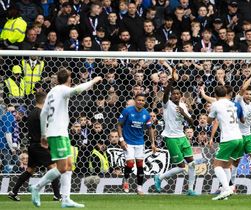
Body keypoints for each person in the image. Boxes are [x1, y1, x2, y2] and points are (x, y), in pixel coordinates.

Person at [30, 68, 102, 208]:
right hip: (57, 133)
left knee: (69, 166)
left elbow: (43, 113)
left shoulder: (51, 92)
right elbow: (76, 91)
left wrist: (44, 134)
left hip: (59, 132)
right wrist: (93, 81)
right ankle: (36, 187)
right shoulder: (62, 89)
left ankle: (66, 199)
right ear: (69, 79)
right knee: (62, 168)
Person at [8, 92, 61, 202]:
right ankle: (57, 195)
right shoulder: (41, 113)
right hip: (39, 145)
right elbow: (44, 131)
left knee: (30, 170)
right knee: (54, 168)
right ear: (45, 100)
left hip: (32, 145)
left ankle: (13, 192)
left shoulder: (32, 113)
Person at [154, 69, 197, 195]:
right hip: (171, 137)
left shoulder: (183, 106)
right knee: (181, 167)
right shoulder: (167, 104)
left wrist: (184, 114)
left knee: (192, 163)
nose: (176, 95)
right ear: (171, 95)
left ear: (181, 95)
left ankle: (190, 189)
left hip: (182, 137)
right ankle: (160, 177)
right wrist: (172, 80)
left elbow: (192, 123)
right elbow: (166, 92)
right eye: (174, 94)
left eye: (178, 94)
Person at [207, 86, 243, 200]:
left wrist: (214, 114)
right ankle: (227, 190)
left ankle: (226, 189)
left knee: (217, 165)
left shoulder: (216, 104)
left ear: (216, 95)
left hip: (228, 139)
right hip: (239, 138)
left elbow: (209, 121)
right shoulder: (231, 104)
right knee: (227, 166)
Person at [118, 94, 155, 195]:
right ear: (135, 100)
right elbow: (119, 125)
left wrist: (153, 143)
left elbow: (150, 128)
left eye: (143, 100)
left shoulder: (146, 114)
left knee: (140, 165)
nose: (141, 102)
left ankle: (139, 187)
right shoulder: (127, 111)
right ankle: (125, 180)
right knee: (130, 163)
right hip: (128, 142)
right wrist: (121, 140)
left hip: (139, 142)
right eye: (139, 100)